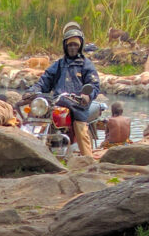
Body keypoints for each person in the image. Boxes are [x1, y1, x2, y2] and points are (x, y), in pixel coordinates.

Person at [26, 22, 100, 157]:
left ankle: (89, 163)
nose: (72, 47)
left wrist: (86, 96)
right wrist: (33, 90)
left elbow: (94, 84)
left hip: (78, 105)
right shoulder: (59, 65)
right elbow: (45, 80)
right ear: (65, 46)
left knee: (80, 128)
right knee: (37, 120)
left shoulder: (86, 65)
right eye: (70, 44)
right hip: (58, 102)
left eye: (75, 45)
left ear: (80, 46)